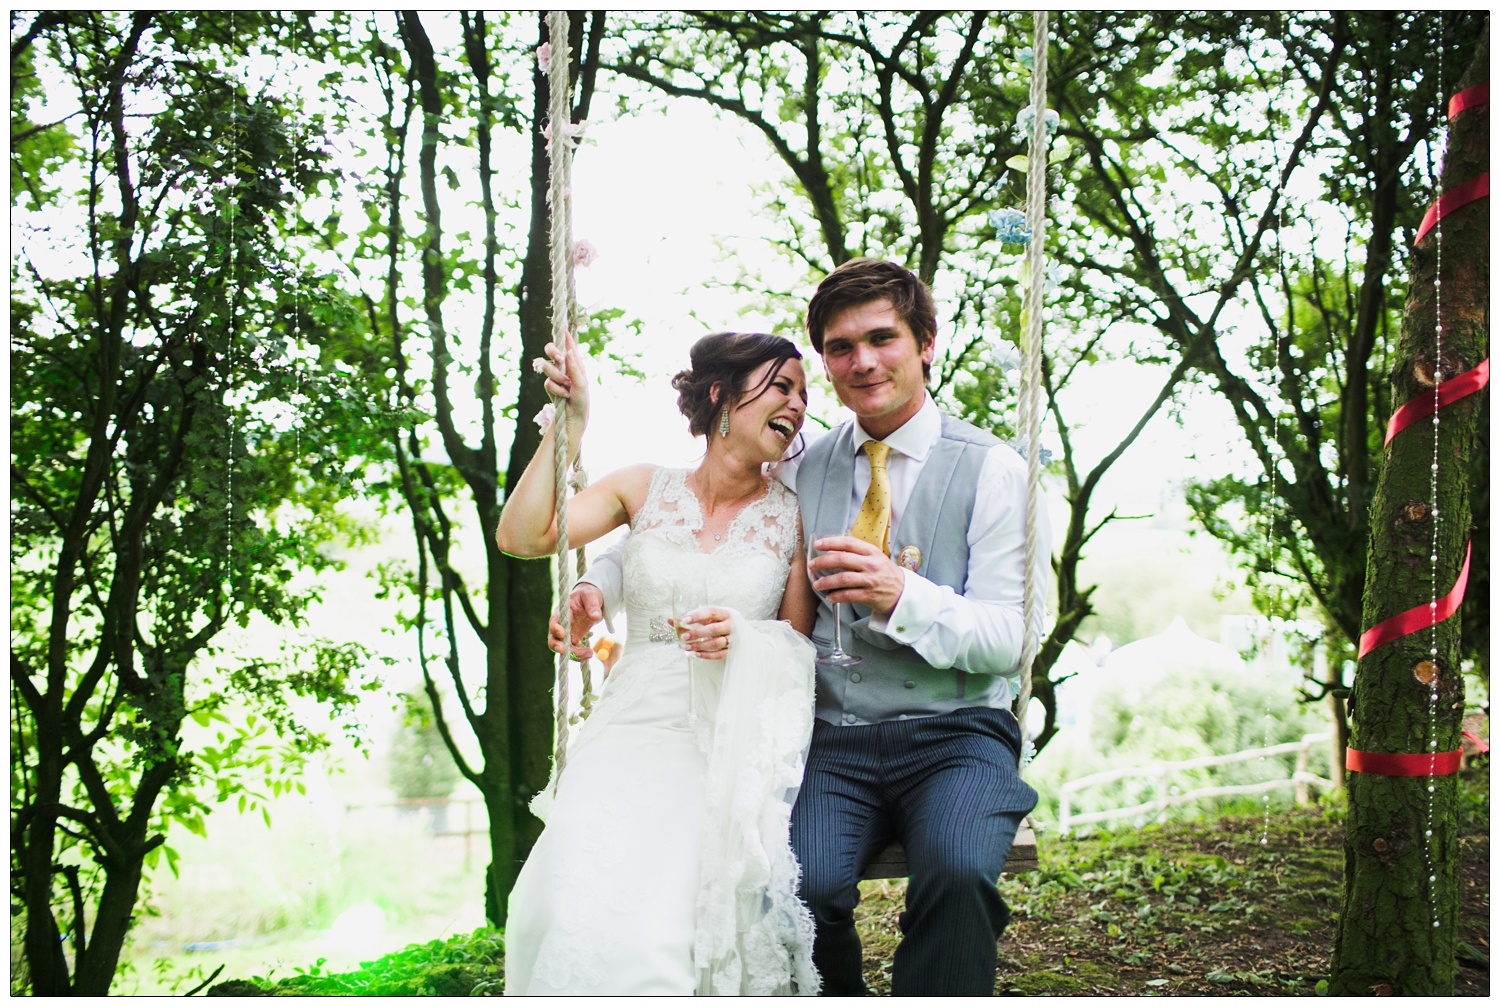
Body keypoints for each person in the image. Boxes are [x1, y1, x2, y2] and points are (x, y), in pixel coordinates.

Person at [563, 258, 1049, 996]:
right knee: (796, 886)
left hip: (955, 732)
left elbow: (1008, 638)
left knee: (955, 872)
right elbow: (697, 525)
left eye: (881, 338)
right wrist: (602, 575)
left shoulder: (993, 471)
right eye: (840, 347)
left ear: (926, 342)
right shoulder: (803, 464)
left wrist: (900, 594)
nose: (862, 361)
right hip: (833, 735)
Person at [495, 330, 822, 996]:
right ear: (720, 395)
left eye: (804, 393)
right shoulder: (642, 488)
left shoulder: (791, 517)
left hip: (717, 744)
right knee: (567, 908)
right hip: (626, 731)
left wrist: (744, 638)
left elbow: (799, 645)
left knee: (660, 930)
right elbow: (522, 535)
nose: (798, 404)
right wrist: (574, 427)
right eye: (782, 385)